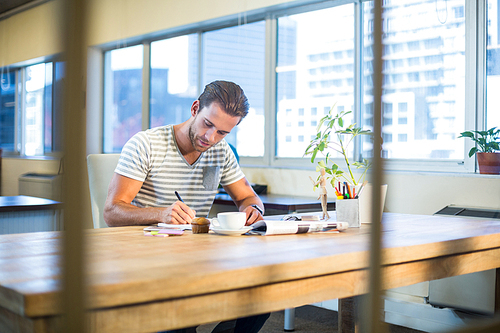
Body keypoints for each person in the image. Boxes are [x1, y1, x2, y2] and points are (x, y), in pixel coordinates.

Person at [103, 80, 269, 333]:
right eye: (208, 124)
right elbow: (112, 212)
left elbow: (248, 198)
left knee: (265, 291)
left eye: (222, 132)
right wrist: (162, 214)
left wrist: (254, 210)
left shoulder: (220, 151)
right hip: (148, 258)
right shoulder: (145, 144)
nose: (210, 138)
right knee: (179, 322)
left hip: (198, 256)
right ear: (195, 109)